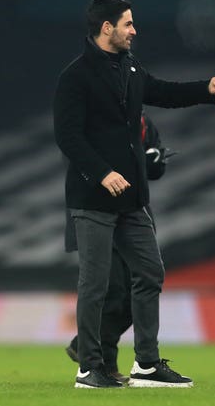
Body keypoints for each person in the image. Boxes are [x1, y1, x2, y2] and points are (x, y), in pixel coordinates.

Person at [53, 0, 215, 389]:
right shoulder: (75, 76)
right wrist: (102, 173)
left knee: (150, 272)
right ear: (106, 28)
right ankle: (89, 367)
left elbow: (163, 92)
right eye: (128, 24)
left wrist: (207, 89)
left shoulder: (129, 68)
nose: (134, 31)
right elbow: (68, 136)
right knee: (95, 283)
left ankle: (146, 364)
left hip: (133, 200)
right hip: (93, 199)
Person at [64, 112, 169, 384]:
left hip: (134, 212)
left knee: (136, 288)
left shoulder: (143, 123)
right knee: (113, 290)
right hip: (97, 210)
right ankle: (102, 364)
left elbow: (156, 168)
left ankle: (90, 350)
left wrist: (152, 161)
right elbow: (76, 156)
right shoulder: (94, 120)